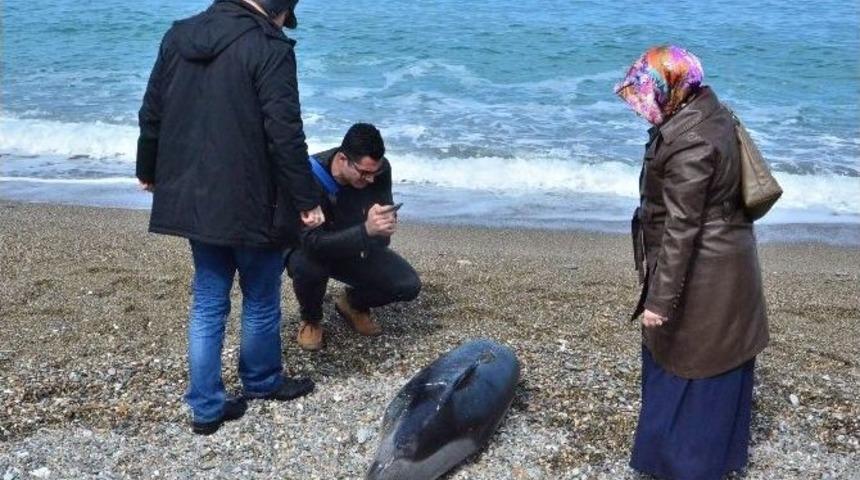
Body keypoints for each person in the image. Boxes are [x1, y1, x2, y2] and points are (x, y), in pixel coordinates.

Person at [135, 0, 324, 435]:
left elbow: (152, 112)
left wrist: (148, 168)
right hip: (252, 194)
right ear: (276, 12)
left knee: (208, 299)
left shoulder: (179, 34)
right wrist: (305, 198)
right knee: (259, 295)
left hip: (196, 195)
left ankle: (205, 407)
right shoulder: (269, 45)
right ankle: (260, 380)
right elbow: (284, 131)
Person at [614, 45, 769, 479]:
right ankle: (700, 460)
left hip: (707, 272)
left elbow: (683, 229)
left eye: (647, 93)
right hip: (722, 264)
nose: (641, 106)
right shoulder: (703, 111)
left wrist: (660, 300)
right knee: (701, 360)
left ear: (672, 88)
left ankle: (684, 466)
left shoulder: (692, 142)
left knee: (691, 361)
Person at [285, 123, 422, 351]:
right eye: (363, 173)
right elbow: (311, 243)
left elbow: (381, 241)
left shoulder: (378, 171)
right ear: (342, 160)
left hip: (353, 243)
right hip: (310, 248)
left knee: (407, 285)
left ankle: (353, 303)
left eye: (374, 173)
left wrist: (384, 226)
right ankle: (311, 319)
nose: (369, 179)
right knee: (308, 267)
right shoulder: (309, 177)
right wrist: (366, 230)